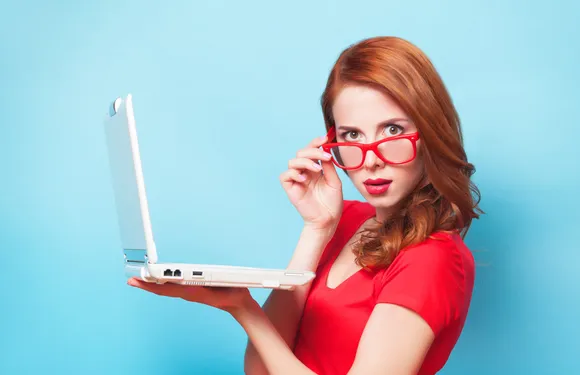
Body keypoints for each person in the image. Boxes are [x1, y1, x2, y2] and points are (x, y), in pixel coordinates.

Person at [128, 36, 482, 375]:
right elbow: (261, 369)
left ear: (431, 132)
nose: (371, 160)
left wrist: (245, 310)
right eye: (352, 135)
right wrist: (317, 228)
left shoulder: (432, 257)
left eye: (392, 130)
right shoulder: (348, 219)